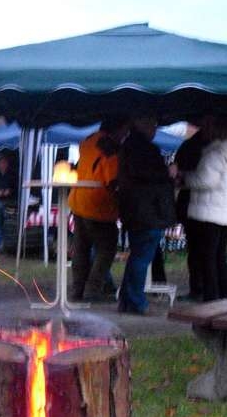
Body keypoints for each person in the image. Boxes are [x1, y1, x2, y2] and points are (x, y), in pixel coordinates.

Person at [117, 115, 178, 315]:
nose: (155, 129)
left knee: (137, 256)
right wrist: (168, 173)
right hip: (149, 211)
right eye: (152, 124)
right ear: (141, 125)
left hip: (134, 209)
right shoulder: (146, 150)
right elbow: (150, 177)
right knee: (142, 257)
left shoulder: (127, 147)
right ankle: (136, 301)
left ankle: (127, 300)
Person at [68, 117, 128, 302]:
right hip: (99, 207)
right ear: (117, 129)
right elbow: (112, 181)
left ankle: (77, 290)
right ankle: (92, 290)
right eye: (125, 131)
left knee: (81, 249)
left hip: (78, 202)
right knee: (106, 249)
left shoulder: (88, 141)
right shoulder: (110, 148)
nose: (126, 135)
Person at [181, 120, 227, 302]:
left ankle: (211, 297)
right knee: (220, 258)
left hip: (209, 213)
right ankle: (226, 295)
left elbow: (205, 180)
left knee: (208, 258)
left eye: (206, 128)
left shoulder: (213, 155)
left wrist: (184, 177)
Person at [173, 116, 215, 301]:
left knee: (197, 250)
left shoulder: (190, 146)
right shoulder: (212, 149)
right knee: (208, 252)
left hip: (192, 203)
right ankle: (205, 289)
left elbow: (180, 174)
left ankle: (199, 288)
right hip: (205, 205)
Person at [0, 153, 17, 251]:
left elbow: (15, 187)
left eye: (4, 162)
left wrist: (9, 191)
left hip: (8, 201)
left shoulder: (11, 173)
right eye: (1, 162)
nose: (2, 164)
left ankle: (7, 245)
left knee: (7, 224)